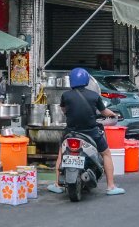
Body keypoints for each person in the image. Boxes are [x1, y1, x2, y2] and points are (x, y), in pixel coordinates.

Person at [48, 67, 125, 196]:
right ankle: (111, 186)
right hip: (91, 132)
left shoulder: (66, 95)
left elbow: (63, 110)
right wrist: (113, 115)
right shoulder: (94, 96)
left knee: (61, 153)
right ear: (86, 80)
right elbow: (104, 112)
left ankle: (57, 184)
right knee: (106, 153)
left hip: (71, 132)